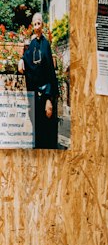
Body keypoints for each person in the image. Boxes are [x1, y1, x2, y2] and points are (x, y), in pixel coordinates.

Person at [18, 13, 59, 149]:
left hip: (45, 93)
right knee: (37, 126)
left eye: (39, 23)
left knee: (47, 128)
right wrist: (21, 61)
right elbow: (27, 58)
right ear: (32, 26)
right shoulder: (33, 43)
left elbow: (49, 73)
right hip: (35, 95)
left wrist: (49, 98)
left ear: (42, 25)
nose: (37, 27)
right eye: (34, 24)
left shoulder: (45, 44)